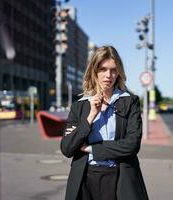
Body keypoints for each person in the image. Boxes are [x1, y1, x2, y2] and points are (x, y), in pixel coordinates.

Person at [60, 45, 148, 200]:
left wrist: (90, 148)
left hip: (121, 179)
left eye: (113, 69)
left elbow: (132, 144)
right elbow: (67, 148)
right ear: (94, 71)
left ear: (119, 71)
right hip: (85, 179)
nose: (109, 75)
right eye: (103, 69)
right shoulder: (79, 105)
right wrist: (91, 115)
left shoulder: (130, 101)